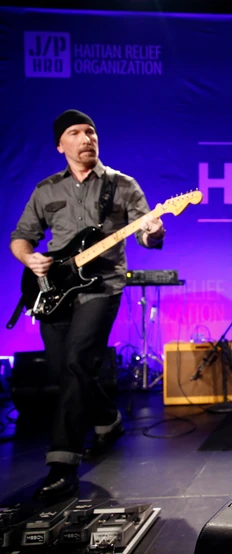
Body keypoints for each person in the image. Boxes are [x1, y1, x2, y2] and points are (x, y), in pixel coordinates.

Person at [10, 109, 165, 499]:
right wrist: (29, 259)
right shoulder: (47, 190)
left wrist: (154, 230)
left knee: (77, 361)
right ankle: (109, 420)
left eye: (91, 131)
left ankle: (62, 463)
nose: (86, 139)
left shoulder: (122, 185)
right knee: (66, 370)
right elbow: (22, 236)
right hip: (53, 290)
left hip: (103, 287)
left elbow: (147, 236)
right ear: (60, 145)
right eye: (76, 133)